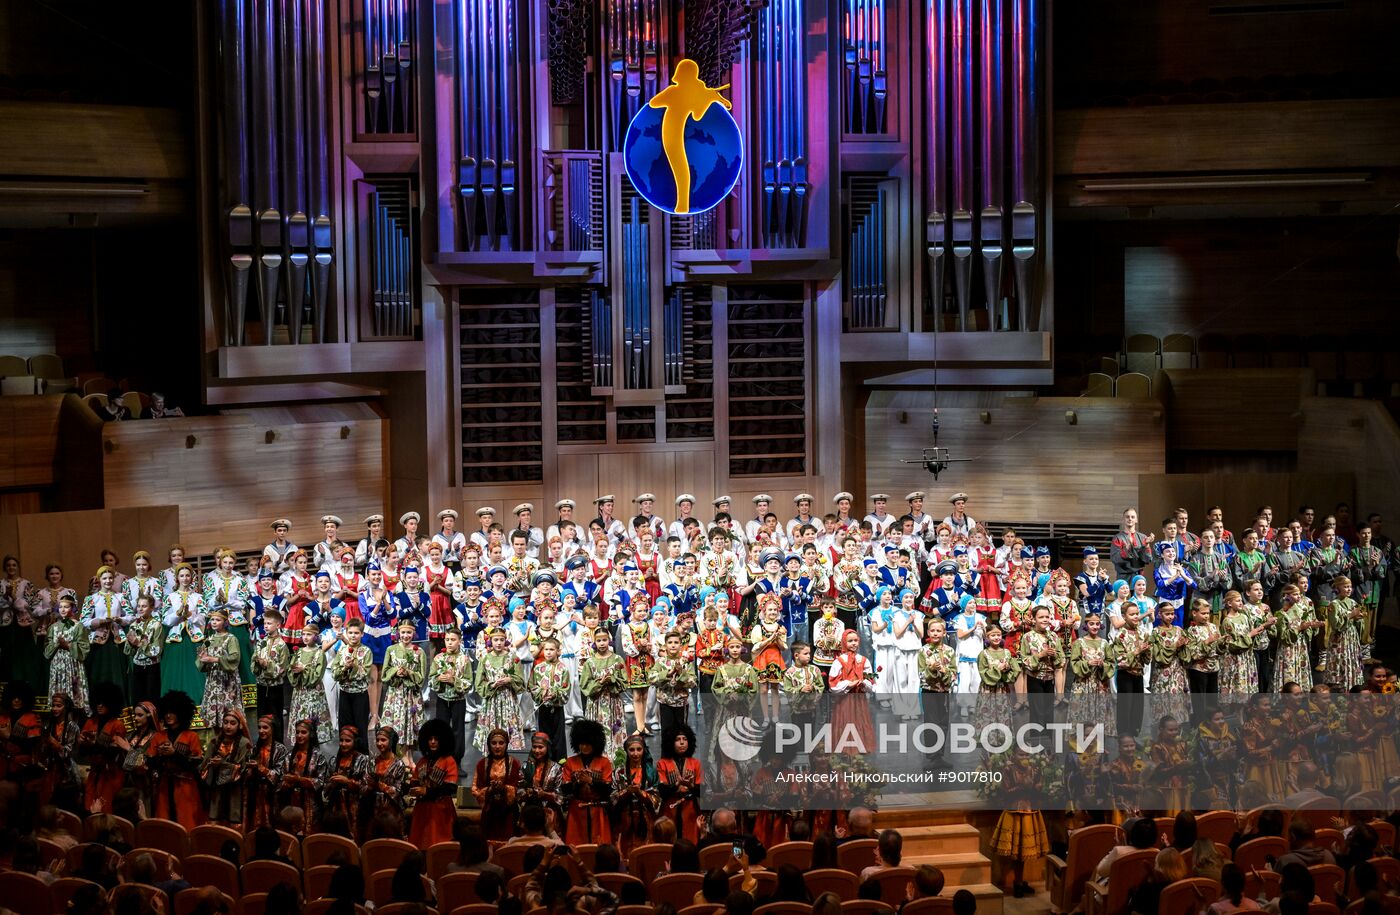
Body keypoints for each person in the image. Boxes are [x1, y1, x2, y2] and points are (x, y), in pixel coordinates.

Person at [147, 690, 206, 829]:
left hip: (186, 788)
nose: (168, 715)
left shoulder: (191, 736)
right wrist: (160, 757)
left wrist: (174, 754)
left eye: (172, 712)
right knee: (164, 824)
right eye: (166, 712)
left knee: (187, 822)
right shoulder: (158, 736)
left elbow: (196, 765)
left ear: (181, 712)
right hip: (164, 787)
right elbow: (149, 762)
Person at [560, 718, 613, 845]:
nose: (584, 747)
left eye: (588, 744)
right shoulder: (570, 762)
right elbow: (565, 789)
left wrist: (591, 781)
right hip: (577, 813)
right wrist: (578, 782)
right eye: (582, 743)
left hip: (597, 811)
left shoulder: (604, 762)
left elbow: (607, 790)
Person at [408, 718, 459, 846]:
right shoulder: (422, 761)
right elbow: (414, 782)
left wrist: (427, 791)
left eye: (436, 739)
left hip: (441, 811)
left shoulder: (449, 760)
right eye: (430, 739)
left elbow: (451, 788)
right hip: (422, 810)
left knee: (440, 845)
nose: (432, 742)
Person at [611, 734, 660, 855]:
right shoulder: (619, 772)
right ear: (626, 751)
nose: (635, 753)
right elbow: (612, 797)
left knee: (646, 853)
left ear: (644, 750)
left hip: (646, 819)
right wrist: (628, 792)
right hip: (624, 819)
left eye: (639, 749)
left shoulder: (650, 771)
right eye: (631, 749)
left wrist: (639, 793)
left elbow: (657, 798)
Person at [202, 710, 252, 826]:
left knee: (233, 821)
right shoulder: (214, 742)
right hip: (216, 790)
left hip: (235, 791)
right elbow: (203, 765)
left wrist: (222, 764)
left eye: (232, 723)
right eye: (225, 722)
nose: (228, 726)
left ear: (239, 726)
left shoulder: (244, 743)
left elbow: (242, 769)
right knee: (214, 820)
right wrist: (210, 764)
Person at [380, 622, 426, 746]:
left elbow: (421, 677)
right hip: (396, 693)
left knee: (411, 721)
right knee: (396, 721)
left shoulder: (419, 652)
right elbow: (384, 673)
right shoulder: (391, 650)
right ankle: (400, 753)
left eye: (409, 632)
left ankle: (409, 753)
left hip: (411, 694)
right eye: (403, 632)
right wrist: (395, 671)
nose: (406, 635)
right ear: (398, 633)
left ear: (414, 634)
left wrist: (408, 672)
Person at [473, 728, 522, 842]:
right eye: (493, 743)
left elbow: (519, 788)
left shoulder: (514, 763)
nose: (497, 746)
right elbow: (476, 789)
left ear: (506, 744)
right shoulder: (482, 764)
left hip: (508, 813)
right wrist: (490, 789)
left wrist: (504, 788)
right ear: (489, 745)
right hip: (489, 812)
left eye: (501, 743)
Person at [1128, 847, 1189, 915]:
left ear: (1159, 868)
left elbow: (1138, 906)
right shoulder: (1185, 887)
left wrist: (1147, 881)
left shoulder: (1155, 889)